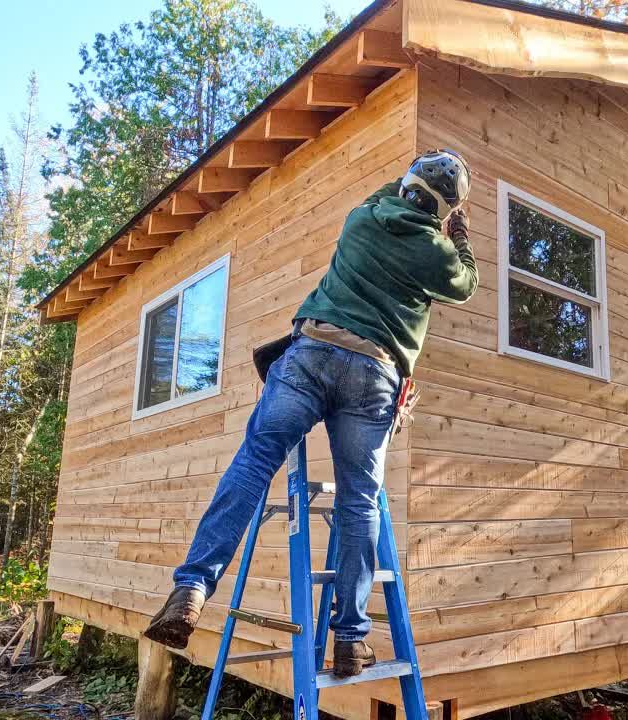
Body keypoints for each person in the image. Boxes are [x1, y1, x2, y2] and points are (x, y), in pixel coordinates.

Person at [143, 149, 477, 678]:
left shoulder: (363, 218)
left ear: (405, 184)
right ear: (442, 209)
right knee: (359, 501)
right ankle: (348, 639)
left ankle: (191, 589)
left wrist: (413, 179)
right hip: (376, 374)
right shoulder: (435, 250)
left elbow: (392, 190)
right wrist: (458, 232)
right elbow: (465, 283)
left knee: (255, 461)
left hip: (312, 354)